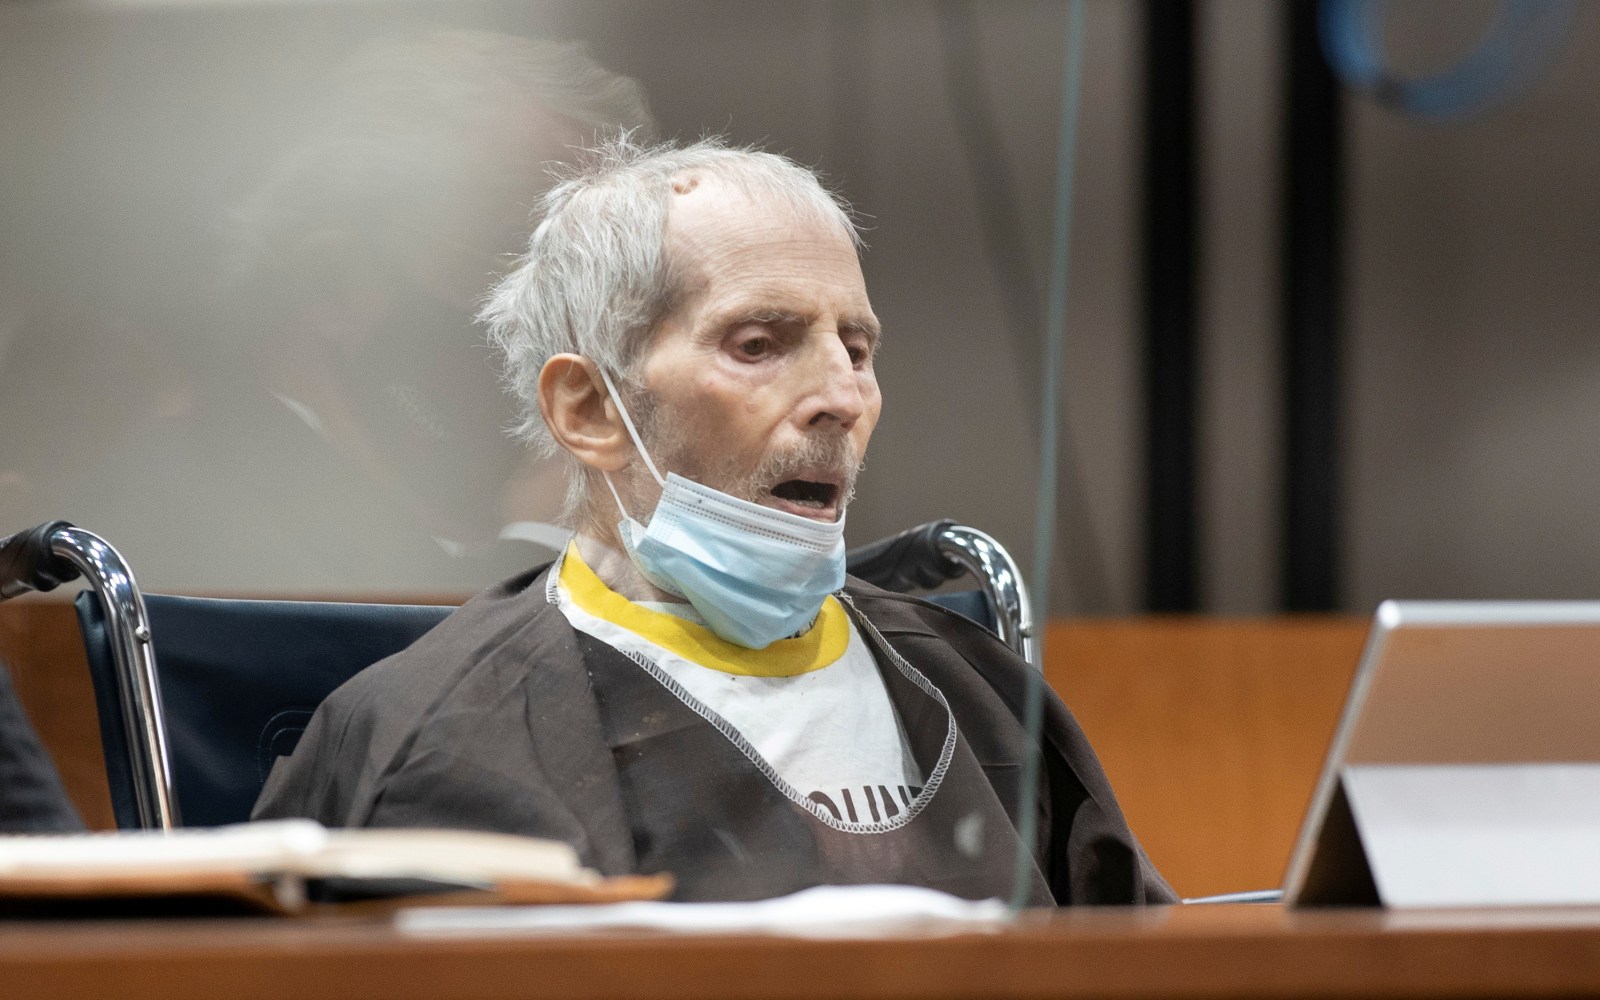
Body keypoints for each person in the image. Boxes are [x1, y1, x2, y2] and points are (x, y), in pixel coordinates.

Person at [254, 136, 1175, 906]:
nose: (841, 396)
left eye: (857, 348)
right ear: (590, 410)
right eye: (759, 344)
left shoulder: (982, 696)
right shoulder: (429, 738)